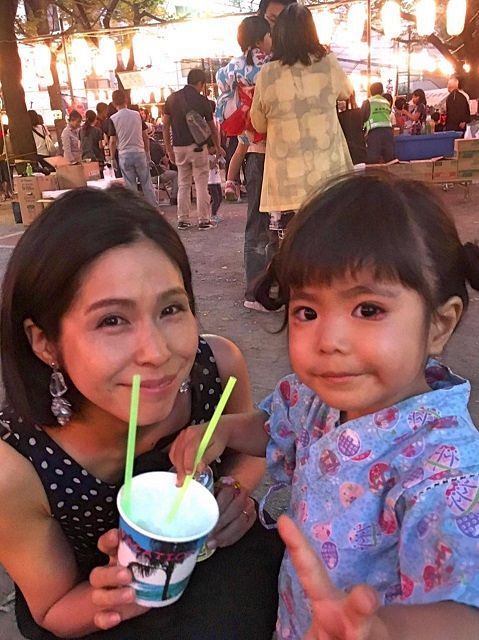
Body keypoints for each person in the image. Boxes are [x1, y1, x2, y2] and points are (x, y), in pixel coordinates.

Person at [171, 172, 479, 640]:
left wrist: (379, 630)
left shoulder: (444, 470)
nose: (329, 340)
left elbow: (464, 613)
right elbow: (275, 426)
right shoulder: (317, 397)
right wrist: (225, 431)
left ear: (439, 324)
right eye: (307, 312)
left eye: (368, 310)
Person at [0, 185, 283, 640]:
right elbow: (51, 607)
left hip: (224, 574)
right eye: (112, 320)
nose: (157, 352)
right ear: (45, 343)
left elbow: (247, 454)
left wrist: (233, 490)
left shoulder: (217, 369)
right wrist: (111, 597)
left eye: (170, 309)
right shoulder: (16, 468)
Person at [250, 5, 353, 216]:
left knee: (294, 233)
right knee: (330, 230)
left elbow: (258, 123)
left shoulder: (268, 74)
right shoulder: (328, 64)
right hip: (328, 173)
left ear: (279, 34)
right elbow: (346, 92)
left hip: (287, 180)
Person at [241, 0, 297, 313]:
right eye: (272, 21)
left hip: (264, 151)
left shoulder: (233, 69)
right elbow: (260, 119)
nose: (276, 28)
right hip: (266, 152)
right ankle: (258, 291)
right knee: (268, 225)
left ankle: (264, 287)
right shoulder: (271, 68)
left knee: (269, 225)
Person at [215, 15, 272, 201]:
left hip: (244, 117)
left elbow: (222, 79)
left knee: (241, 148)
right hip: (264, 115)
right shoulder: (269, 61)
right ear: (259, 40)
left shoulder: (234, 64)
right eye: (269, 36)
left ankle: (230, 181)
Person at [163, 69, 224, 231]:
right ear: (200, 83)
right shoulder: (202, 101)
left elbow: (165, 125)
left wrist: (168, 148)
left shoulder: (172, 99)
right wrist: (217, 146)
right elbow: (212, 128)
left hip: (178, 148)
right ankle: (204, 220)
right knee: (201, 183)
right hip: (198, 148)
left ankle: (182, 219)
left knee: (183, 183)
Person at [109, 89, 157, 208]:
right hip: (139, 152)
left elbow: (112, 141)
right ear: (126, 100)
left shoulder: (113, 118)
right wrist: (147, 153)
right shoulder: (137, 115)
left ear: (114, 103)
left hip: (124, 154)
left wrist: (112, 158)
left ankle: (136, 211)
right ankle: (154, 209)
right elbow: (145, 135)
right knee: (147, 183)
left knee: (130, 187)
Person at [361, 82, 395, 163]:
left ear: (370, 92)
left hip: (375, 133)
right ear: (382, 91)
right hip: (388, 132)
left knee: (373, 159)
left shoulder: (368, 102)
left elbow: (361, 117)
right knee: (389, 159)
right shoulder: (386, 102)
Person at [148, 134, 178, 206]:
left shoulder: (138, 146)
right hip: (157, 175)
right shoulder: (156, 145)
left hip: (143, 177)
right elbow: (166, 161)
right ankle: (173, 198)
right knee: (175, 174)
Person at [208, 148, 224, 223]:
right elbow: (211, 166)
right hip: (211, 181)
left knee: (220, 198)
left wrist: (219, 147)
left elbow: (224, 155)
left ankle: (215, 213)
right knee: (215, 199)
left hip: (217, 180)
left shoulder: (214, 156)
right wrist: (217, 157)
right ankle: (213, 215)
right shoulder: (207, 157)